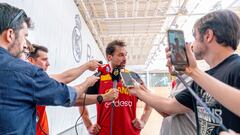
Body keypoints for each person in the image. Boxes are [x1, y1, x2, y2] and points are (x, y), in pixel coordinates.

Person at [128, 9, 240, 135]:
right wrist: (137, 91)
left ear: (208, 35)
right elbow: (169, 107)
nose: (192, 43)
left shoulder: (236, 68)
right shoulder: (202, 80)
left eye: (195, 36)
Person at [0, 3, 100, 134]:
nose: (25, 44)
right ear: (10, 34)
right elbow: (66, 95)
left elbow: (63, 79)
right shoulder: (27, 74)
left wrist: (86, 66)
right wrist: (89, 83)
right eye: (24, 35)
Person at [26, 44, 111, 135]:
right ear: (31, 60)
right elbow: (72, 96)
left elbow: (65, 77)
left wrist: (87, 66)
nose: (48, 64)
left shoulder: (40, 80)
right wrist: (89, 85)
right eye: (44, 60)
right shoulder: (32, 83)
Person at [79, 40, 152, 135]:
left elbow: (150, 98)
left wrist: (143, 121)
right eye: (121, 55)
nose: (125, 58)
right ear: (109, 57)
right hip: (104, 132)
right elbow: (80, 99)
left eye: (125, 55)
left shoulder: (132, 77)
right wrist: (88, 125)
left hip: (130, 132)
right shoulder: (98, 78)